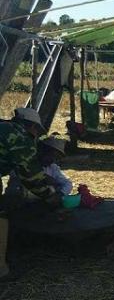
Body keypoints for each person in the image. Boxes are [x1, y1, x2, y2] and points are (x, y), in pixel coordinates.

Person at [1, 108, 59, 279]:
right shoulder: (19, 136)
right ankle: (1, 269)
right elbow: (29, 175)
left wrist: (42, 178)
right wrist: (49, 195)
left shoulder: (4, 128)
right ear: (32, 126)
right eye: (37, 130)